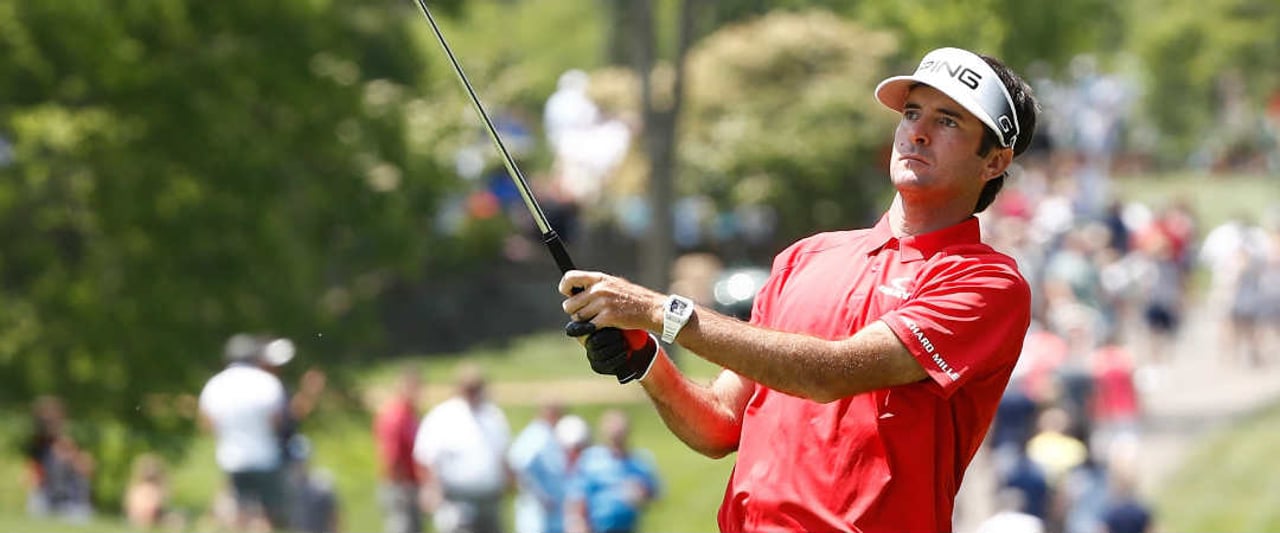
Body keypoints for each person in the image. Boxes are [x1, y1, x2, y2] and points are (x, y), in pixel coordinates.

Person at [558, 46, 1039, 531]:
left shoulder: (986, 282)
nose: (917, 132)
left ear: (995, 161)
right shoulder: (805, 257)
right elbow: (720, 422)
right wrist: (643, 358)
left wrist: (658, 311)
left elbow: (827, 374)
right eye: (912, 112)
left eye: (947, 121)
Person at [198, 333, 290, 530]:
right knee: (267, 514)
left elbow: (207, 424)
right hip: (265, 457)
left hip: (232, 459)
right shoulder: (268, 382)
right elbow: (277, 422)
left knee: (240, 513)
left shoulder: (215, 384)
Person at [413, 363, 512, 533]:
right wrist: (430, 488)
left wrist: (509, 480)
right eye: (469, 388)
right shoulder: (443, 415)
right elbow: (425, 457)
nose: (473, 393)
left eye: (476, 388)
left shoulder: (493, 415)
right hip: (456, 499)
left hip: (489, 497)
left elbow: (503, 454)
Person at [565, 410, 659, 533]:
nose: (617, 439)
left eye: (620, 434)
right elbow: (578, 496)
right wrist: (578, 524)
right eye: (613, 435)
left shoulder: (639, 463)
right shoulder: (590, 460)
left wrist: (643, 493)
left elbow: (655, 493)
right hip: (596, 528)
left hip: (628, 528)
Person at [374, 364, 425, 533]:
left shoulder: (411, 413)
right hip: (400, 487)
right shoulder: (395, 416)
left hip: (411, 484)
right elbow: (392, 457)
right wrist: (404, 486)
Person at [508, 400, 565, 533]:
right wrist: (541, 495)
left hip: (548, 512)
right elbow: (519, 465)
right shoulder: (538, 435)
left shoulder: (547, 434)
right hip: (536, 511)